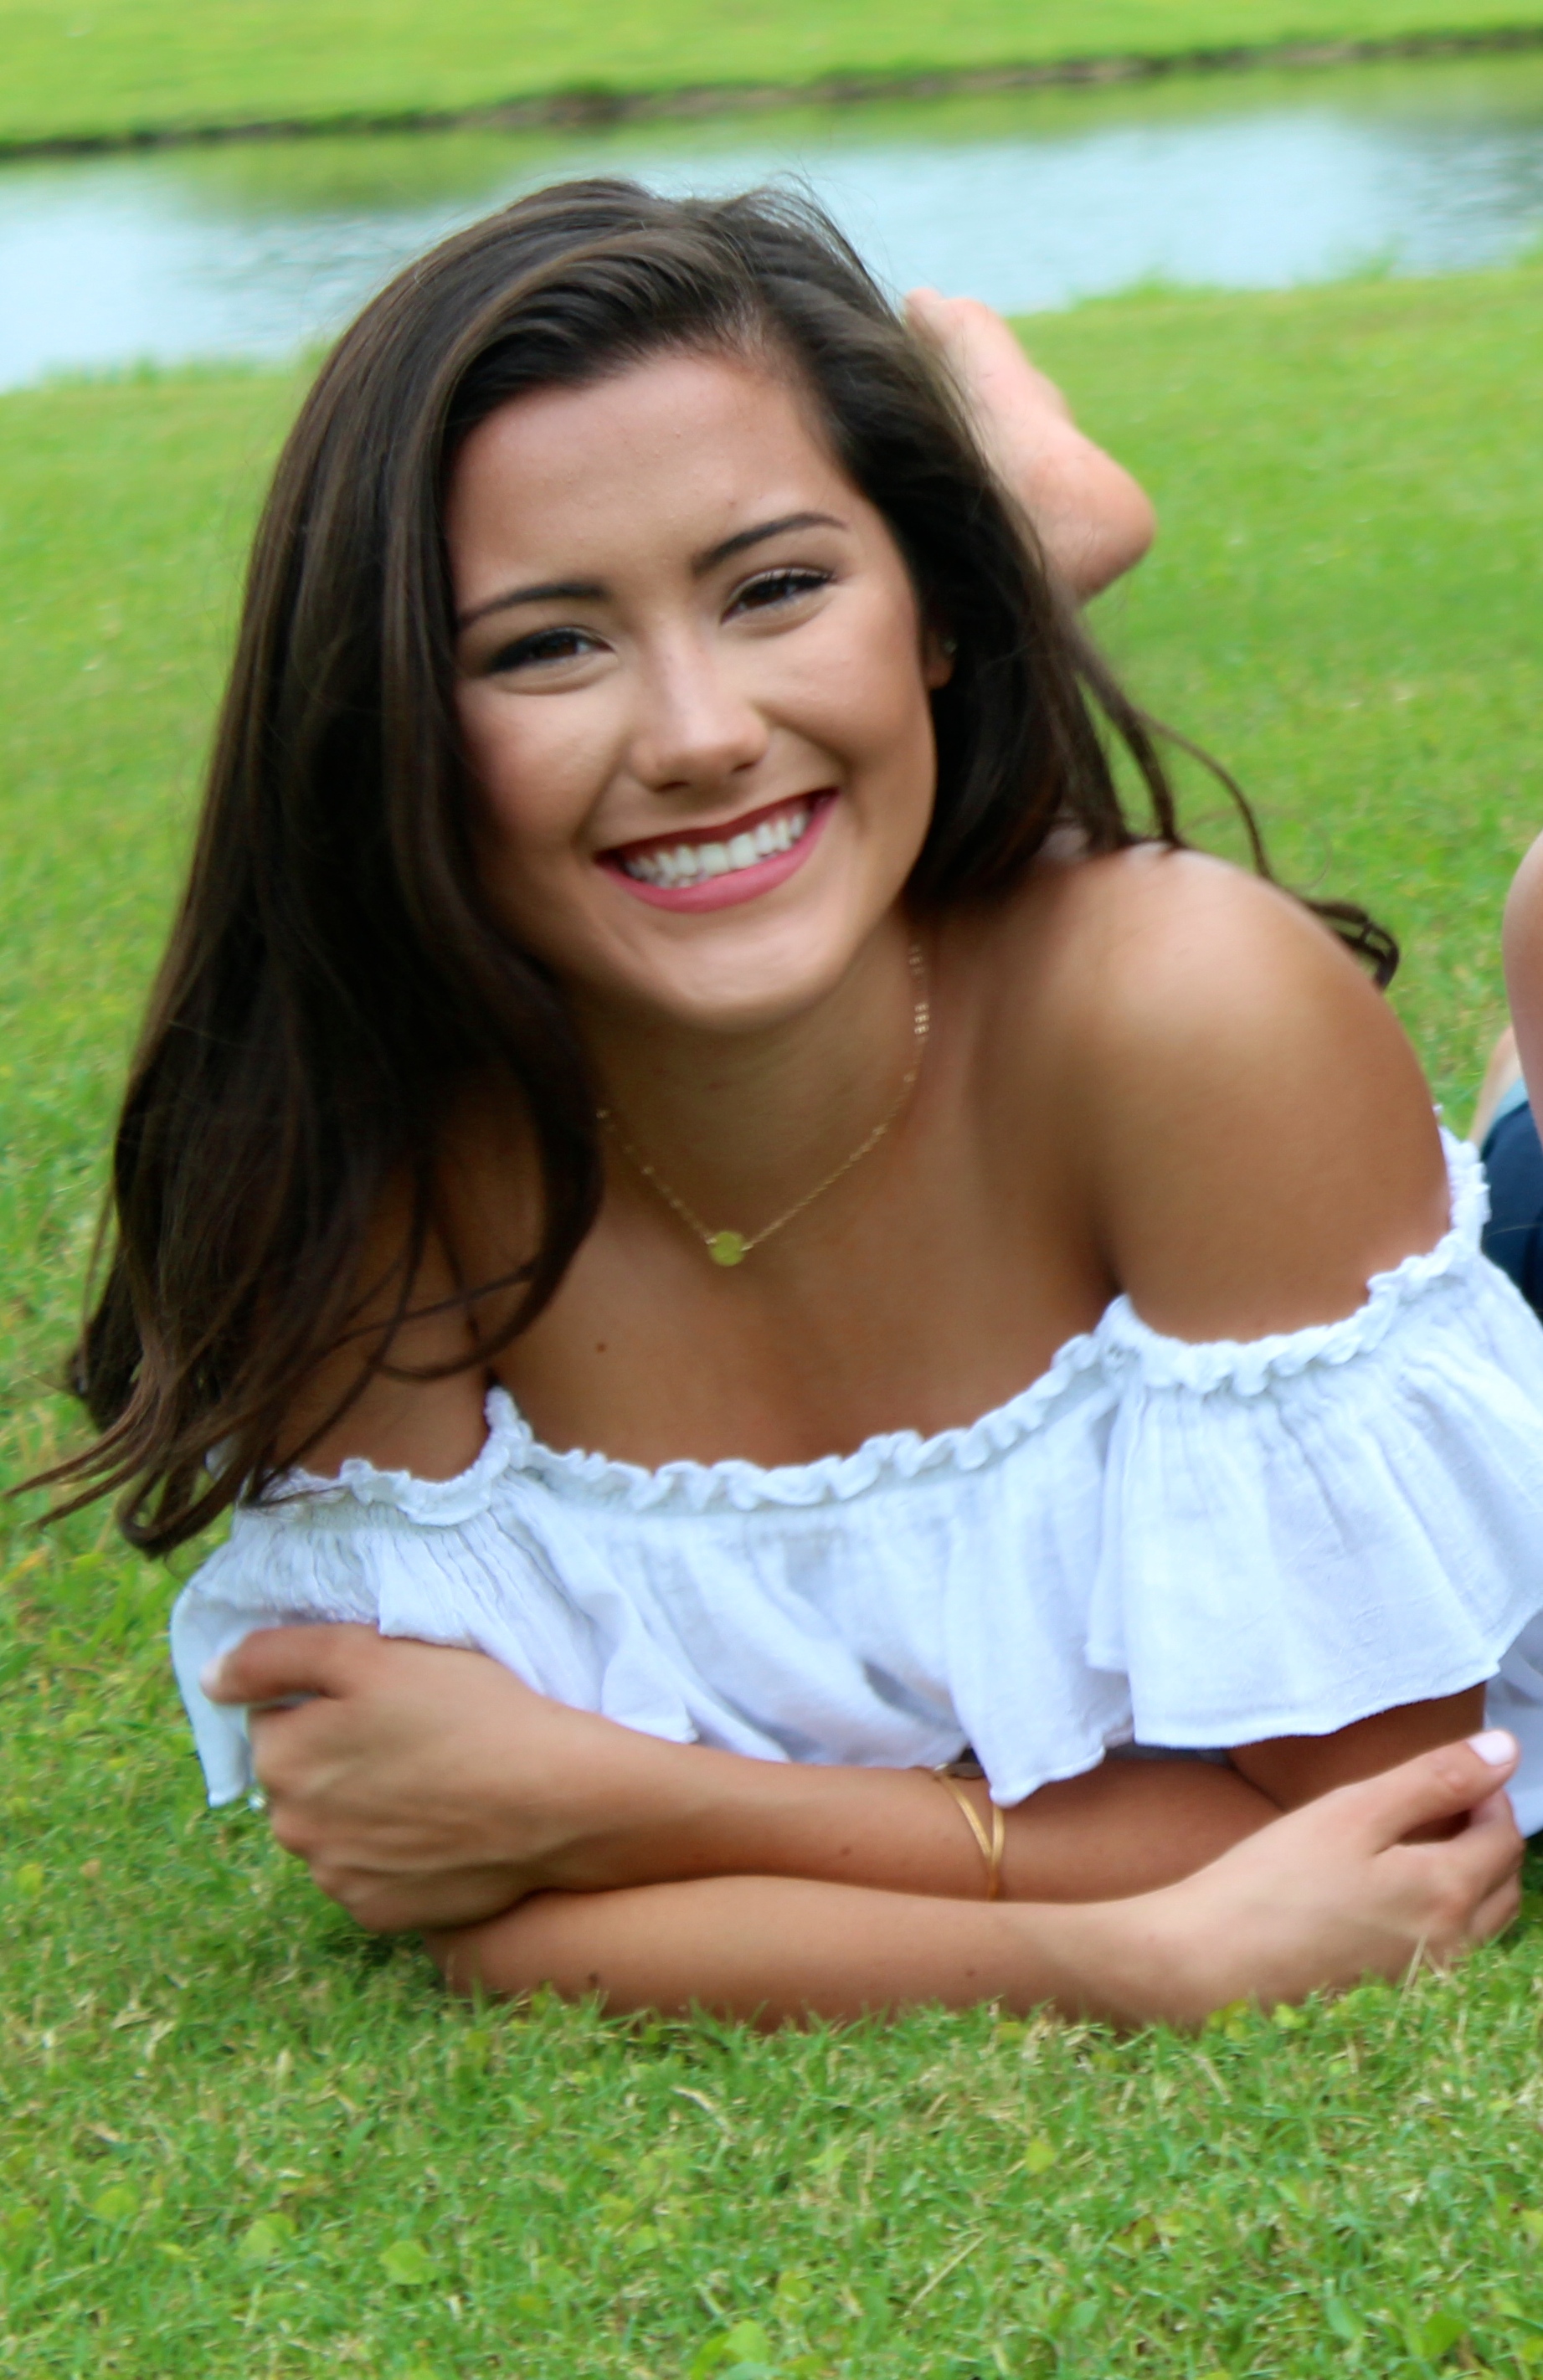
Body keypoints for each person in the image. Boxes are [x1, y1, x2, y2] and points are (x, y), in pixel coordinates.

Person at [41, 181, 1543, 2026]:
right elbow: (458, 1883)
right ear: (395, 723)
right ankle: (1014, 525)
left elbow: (1392, 1824)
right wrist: (1102, 1950)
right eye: (543, 644)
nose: (695, 732)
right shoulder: (358, 1151)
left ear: (936, 619)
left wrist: (616, 1795)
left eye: (775, 586)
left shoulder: (1187, 1003)